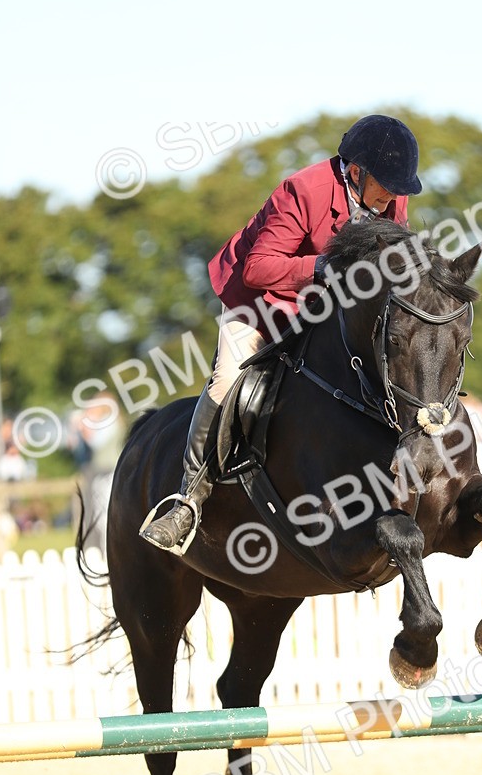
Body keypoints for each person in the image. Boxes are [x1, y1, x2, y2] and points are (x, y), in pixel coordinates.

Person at [140, 115, 422, 553]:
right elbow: (257, 268)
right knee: (227, 380)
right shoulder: (303, 190)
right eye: (385, 186)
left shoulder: (390, 195)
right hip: (259, 298)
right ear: (355, 172)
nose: (391, 198)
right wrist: (321, 267)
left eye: (397, 189)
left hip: (323, 303)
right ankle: (188, 500)